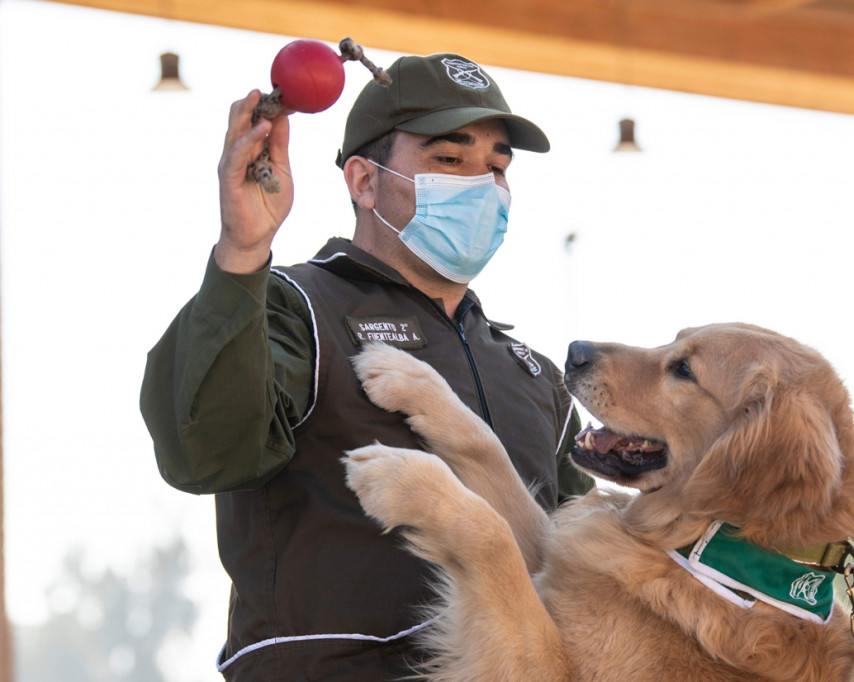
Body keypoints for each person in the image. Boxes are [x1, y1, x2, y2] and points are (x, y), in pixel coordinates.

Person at [140, 51, 593, 681]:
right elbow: (206, 451)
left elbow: (589, 578)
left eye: (496, 167)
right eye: (448, 159)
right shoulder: (291, 307)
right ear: (363, 181)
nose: (481, 186)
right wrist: (243, 252)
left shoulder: (537, 376)